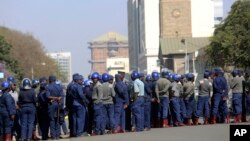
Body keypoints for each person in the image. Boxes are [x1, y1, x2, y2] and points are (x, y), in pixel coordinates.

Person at [46, 75, 64, 139]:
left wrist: (54, 98)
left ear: (50, 80)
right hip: (58, 104)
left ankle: (53, 136)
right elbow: (62, 96)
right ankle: (57, 135)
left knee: (52, 119)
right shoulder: (59, 87)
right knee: (58, 120)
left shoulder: (48, 87)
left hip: (51, 104)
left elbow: (48, 96)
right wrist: (58, 98)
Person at [7, 76, 21, 140]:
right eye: (13, 84)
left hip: (16, 111)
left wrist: (18, 106)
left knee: (17, 124)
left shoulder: (16, 92)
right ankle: (11, 136)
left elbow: (18, 101)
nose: (15, 86)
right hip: (9, 112)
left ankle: (19, 136)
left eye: (15, 84)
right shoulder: (6, 93)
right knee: (11, 126)